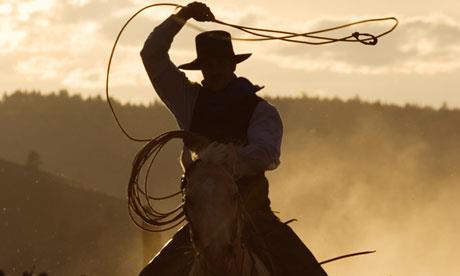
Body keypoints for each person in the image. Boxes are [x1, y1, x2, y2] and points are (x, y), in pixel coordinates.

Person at [139, 2, 327, 275]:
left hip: (254, 218)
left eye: (219, 62)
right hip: (202, 220)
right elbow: (152, 54)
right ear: (200, 67)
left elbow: (266, 155)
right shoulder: (189, 100)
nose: (213, 69)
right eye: (207, 63)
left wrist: (220, 157)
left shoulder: (260, 110)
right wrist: (182, 17)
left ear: (231, 64)